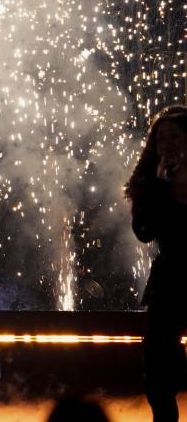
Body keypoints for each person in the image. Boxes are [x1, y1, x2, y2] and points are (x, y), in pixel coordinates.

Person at [126, 104, 187, 422]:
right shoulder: (150, 184)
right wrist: (160, 187)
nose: (168, 145)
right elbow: (144, 231)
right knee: (158, 370)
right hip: (170, 283)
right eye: (161, 139)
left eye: (175, 137)